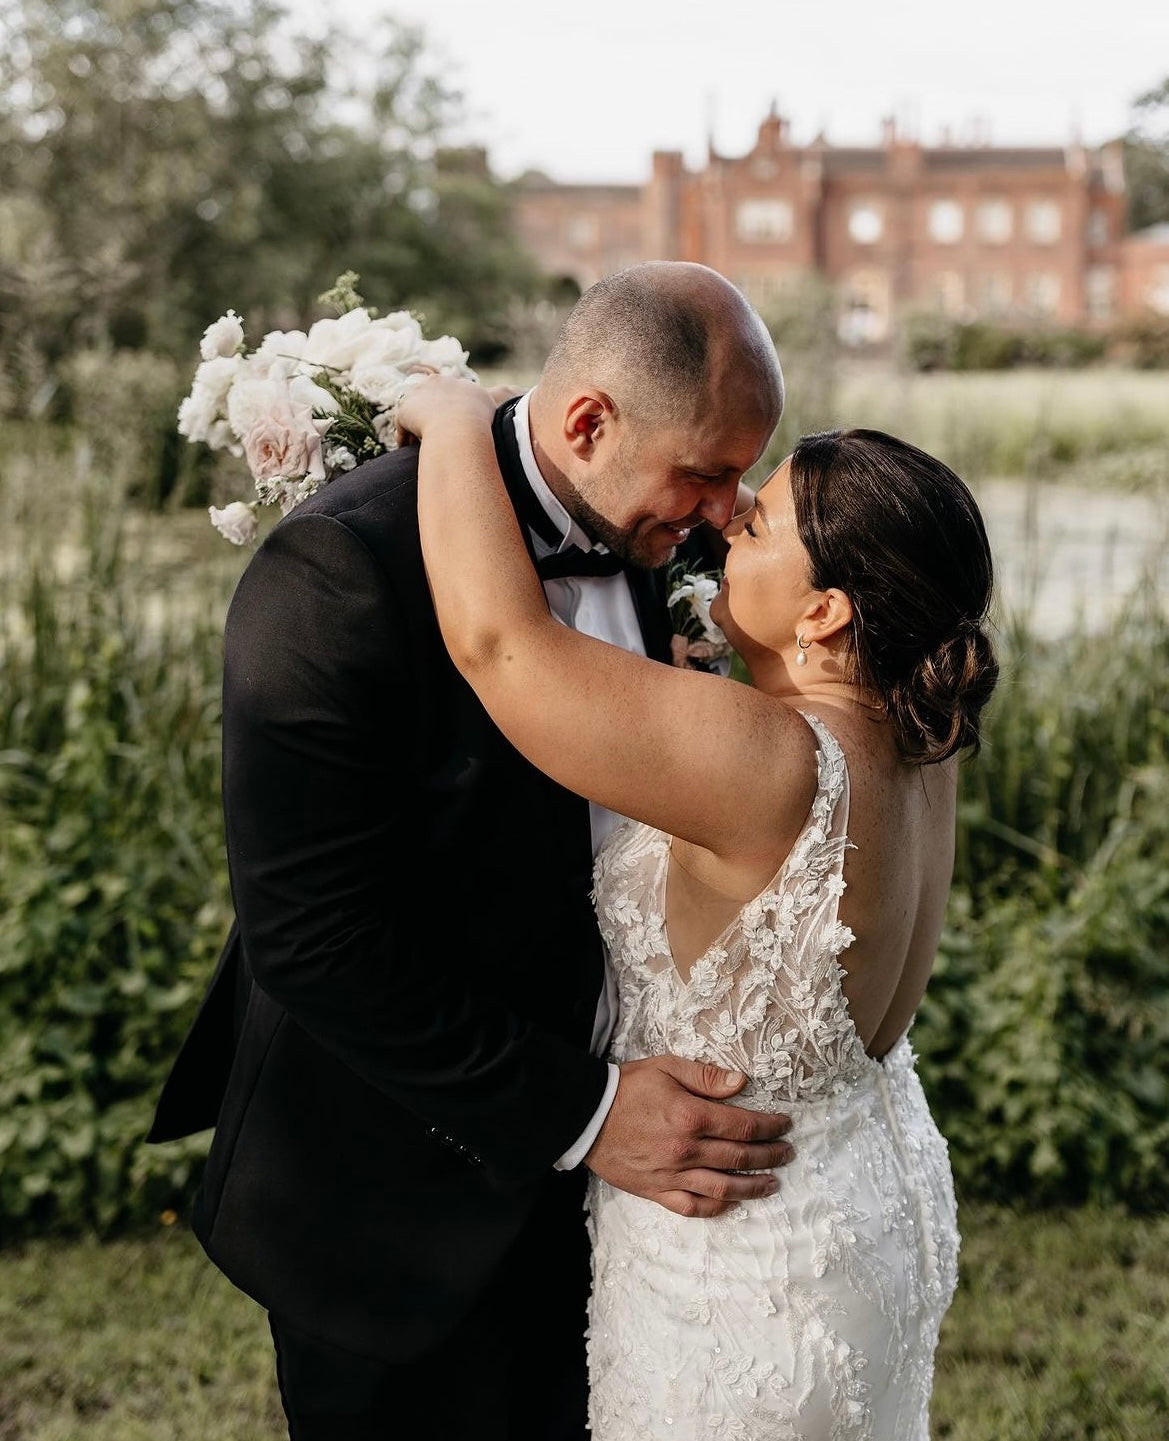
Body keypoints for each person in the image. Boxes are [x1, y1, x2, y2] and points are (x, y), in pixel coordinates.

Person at [147, 263, 795, 1440]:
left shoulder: (674, 549)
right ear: (590, 421)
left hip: (620, 1228)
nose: (726, 507)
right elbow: (312, 939)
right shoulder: (341, 563)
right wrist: (591, 1113)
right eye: (704, 470)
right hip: (394, 1202)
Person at [396, 371, 999, 1440]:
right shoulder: (919, 733)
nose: (725, 519)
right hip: (868, 1198)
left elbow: (499, 644)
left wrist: (452, 420)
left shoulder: (760, 758)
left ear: (823, 610)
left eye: (758, 521)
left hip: (742, 1256)